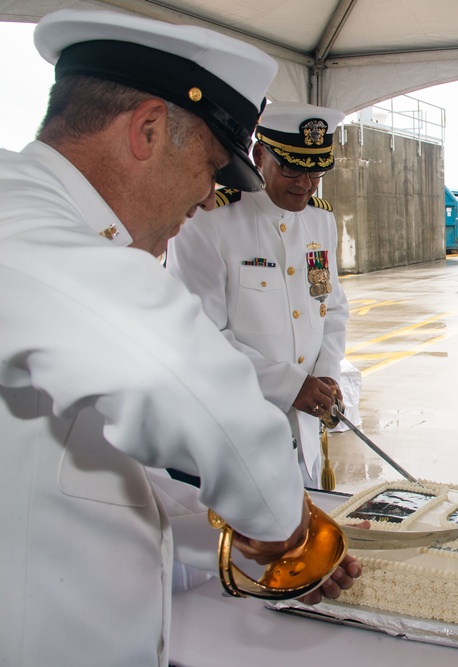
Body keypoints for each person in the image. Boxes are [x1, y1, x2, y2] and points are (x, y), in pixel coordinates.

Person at [0, 9, 360, 666]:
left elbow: (101, 466)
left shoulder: (51, 224)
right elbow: (182, 378)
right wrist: (287, 525)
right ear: (147, 129)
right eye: (210, 167)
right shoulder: (20, 224)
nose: (203, 201)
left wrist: (241, 534)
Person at [167, 101, 350, 486]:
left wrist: (326, 375)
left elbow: (332, 309)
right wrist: (289, 385)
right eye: (292, 167)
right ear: (259, 153)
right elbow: (200, 336)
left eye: (316, 171)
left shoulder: (321, 221)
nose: (305, 182)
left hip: (304, 435)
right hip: (235, 436)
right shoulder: (210, 222)